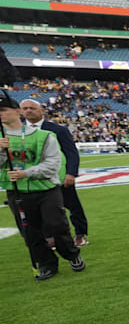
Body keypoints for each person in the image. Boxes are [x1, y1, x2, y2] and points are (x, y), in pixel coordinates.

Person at [0, 91, 85, 280]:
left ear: (16, 112)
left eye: (4, 109)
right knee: (29, 232)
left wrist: (26, 173)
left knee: (57, 224)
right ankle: (46, 264)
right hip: (17, 191)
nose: (0, 113)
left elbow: (53, 164)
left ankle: (71, 254)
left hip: (46, 188)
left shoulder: (45, 135)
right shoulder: (1, 139)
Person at [19, 99, 90, 247]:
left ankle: (80, 234)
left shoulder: (58, 130)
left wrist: (71, 173)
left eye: (32, 108)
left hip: (60, 177)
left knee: (73, 206)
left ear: (41, 111)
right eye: (25, 108)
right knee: (42, 210)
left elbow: (71, 153)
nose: (28, 111)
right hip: (34, 180)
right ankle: (49, 237)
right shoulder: (19, 132)